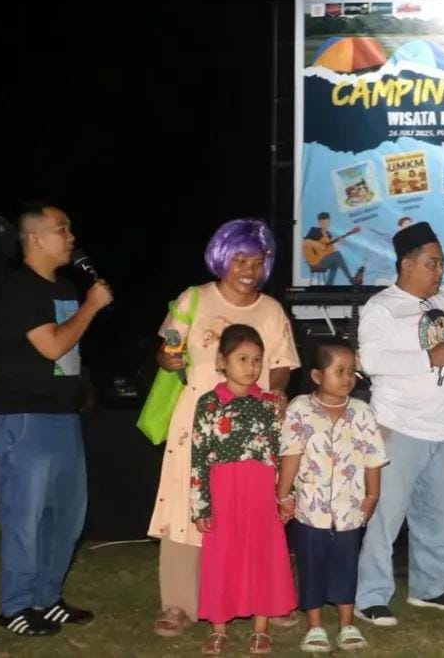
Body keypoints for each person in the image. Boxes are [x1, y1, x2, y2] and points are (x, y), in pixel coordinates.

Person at [148, 219, 300, 637]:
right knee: (186, 504)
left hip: (252, 427)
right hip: (196, 420)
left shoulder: (271, 310)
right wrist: (168, 359)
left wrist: (276, 390)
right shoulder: (194, 299)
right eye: (240, 259)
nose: (249, 269)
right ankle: (178, 603)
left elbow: (282, 365)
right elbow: (167, 351)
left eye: (258, 260)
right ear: (222, 258)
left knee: (256, 512)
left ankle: (268, 598)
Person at [0, 200, 113, 635]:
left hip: (63, 416)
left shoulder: (63, 287)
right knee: (25, 517)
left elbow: (69, 354)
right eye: (63, 228)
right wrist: (92, 306)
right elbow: (53, 346)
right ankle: (15, 607)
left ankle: (46, 597)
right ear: (35, 238)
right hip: (25, 417)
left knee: (67, 516)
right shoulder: (20, 288)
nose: (71, 237)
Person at [354, 221, 444, 626]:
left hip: (440, 429)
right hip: (397, 427)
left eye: (440, 263)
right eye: (432, 263)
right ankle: (370, 597)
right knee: (384, 517)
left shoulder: (440, 302)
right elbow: (371, 361)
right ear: (407, 265)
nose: (439, 271)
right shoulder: (381, 307)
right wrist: (430, 358)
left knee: (441, 516)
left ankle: (430, 588)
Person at [276, 337, 388, 652]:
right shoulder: (300, 409)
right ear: (317, 375)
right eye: (339, 371)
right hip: (309, 510)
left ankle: (347, 623)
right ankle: (315, 626)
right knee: (311, 565)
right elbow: (291, 454)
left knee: (347, 564)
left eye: (351, 371)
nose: (348, 378)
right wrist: (283, 495)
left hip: (350, 509)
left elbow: (373, 458)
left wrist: (372, 496)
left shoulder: (362, 412)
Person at [190, 324, 296, 655]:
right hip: (223, 490)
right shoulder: (209, 403)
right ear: (222, 361)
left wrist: (285, 495)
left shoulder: (269, 403)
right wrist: (201, 506)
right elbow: (198, 456)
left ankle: (261, 629)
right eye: (243, 358)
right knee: (221, 556)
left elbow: (282, 453)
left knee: (262, 554)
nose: (251, 367)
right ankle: (218, 627)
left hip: (260, 489)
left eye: (257, 359)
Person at [304, 212, 355, 285]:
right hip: (314, 262)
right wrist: (318, 245)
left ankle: (328, 285)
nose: (325, 225)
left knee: (336, 263)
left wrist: (339, 243)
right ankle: (351, 279)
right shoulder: (314, 231)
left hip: (323, 261)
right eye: (323, 223)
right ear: (319, 223)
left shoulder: (328, 235)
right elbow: (306, 242)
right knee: (337, 254)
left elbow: (331, 251)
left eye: (327, 223)